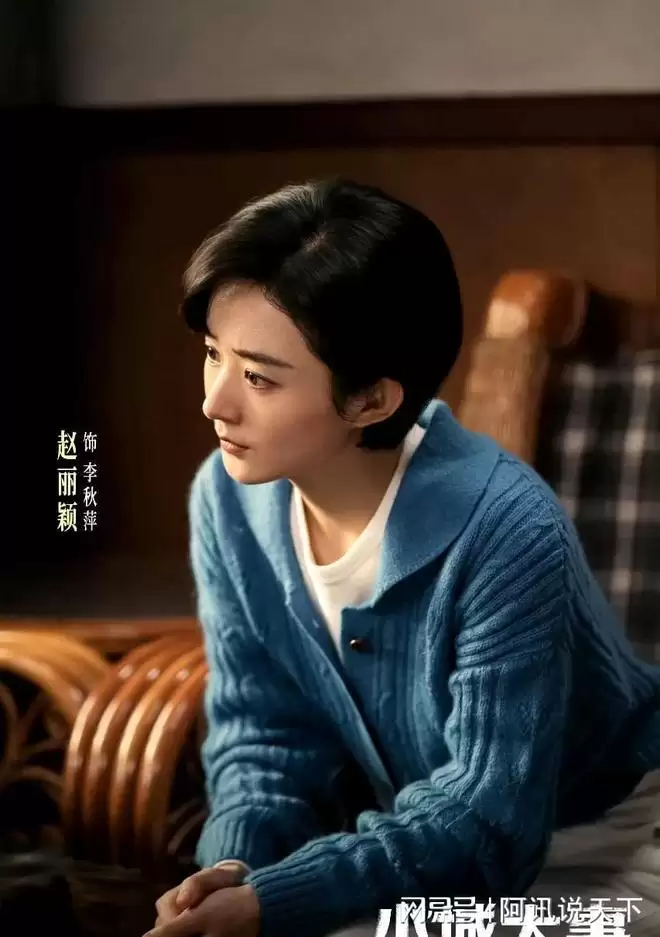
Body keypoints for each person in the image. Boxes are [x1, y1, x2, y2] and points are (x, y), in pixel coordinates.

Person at [147, 178, 660, 937]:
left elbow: (486, 820)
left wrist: (275, 901)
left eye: (257, 376)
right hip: (426, 853)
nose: (214, 402)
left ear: (372, 400)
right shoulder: (227, 501)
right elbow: (263, 736)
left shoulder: (506, 528)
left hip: (606, 850)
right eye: (212, 354)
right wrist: (234, 869)